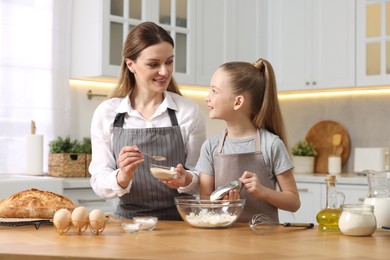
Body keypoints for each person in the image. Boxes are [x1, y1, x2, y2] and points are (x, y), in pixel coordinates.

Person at [89, 21, 206, 220]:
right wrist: (122, 176)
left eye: (169, 61)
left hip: (181, 224)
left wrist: (186, 179)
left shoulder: (188, 112)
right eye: (153, 64)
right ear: (130, 64)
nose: (165, 71)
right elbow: (99, 181)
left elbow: (203, 177)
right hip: (128, 223)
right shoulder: (107, 113)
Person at [197, 58, 300, 223]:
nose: (207, 97)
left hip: (265, 240)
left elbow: (293, 202)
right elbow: (205, 203)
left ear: (238, 102)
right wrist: (223, 205)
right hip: (222, 239)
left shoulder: (271, 145)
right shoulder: (211, 147)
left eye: (214, 91)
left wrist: (263, 191)